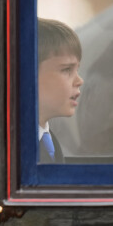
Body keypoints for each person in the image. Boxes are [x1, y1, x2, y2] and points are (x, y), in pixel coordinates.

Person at [37, 18, 84, 163]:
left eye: (77, 70)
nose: (79, 81)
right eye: (66, 70)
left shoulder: (48, 138)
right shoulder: (14, 148)